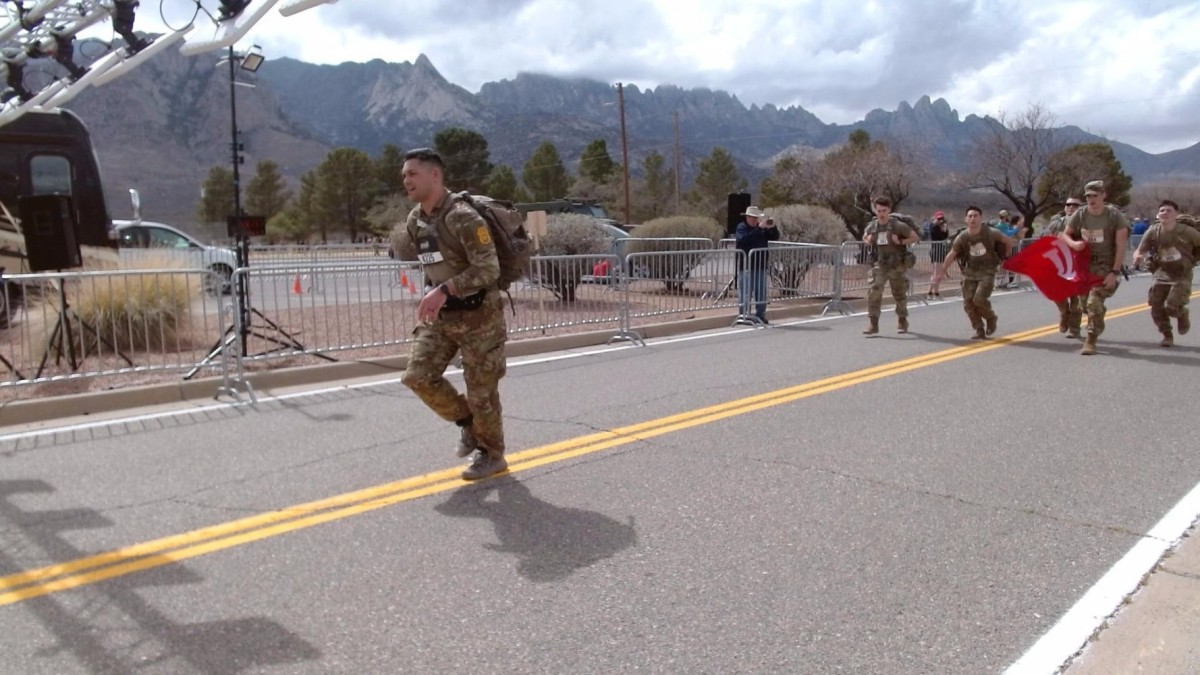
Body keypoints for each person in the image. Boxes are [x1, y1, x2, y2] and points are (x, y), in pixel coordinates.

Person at [396, 148, 510, 480]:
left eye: (412, 173)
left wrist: (444, 290)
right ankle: (467, 424)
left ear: (435, 175)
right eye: (404, 175)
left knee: (481, 392)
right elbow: (432, 264)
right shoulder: (415, 220)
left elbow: (488, 268)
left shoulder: (463, 216)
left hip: (481, 318)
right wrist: (436, 293)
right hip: (443, 317)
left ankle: (492, 454)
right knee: (418, 376)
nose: (406, 180)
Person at [1059, 180, 1131, 356]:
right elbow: (1063, 234)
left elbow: (1121, 245)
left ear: (1103, 196)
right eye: (1088, 196)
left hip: (1106, 265)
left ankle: (1090, 340)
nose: (1091, 199)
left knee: (1093, 302)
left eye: (1095, 195)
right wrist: (1073, 243)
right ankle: (1098, 316)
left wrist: (1114, 272)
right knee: (1085, 305)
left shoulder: (1114, 216)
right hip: (1084, 265)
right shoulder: (1081, 214)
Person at [929, 205, 1013, 339]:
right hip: (970, 271)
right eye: (970, 216)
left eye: (975, 216)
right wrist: (940, 274)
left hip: (987, 271)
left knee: (979, 299)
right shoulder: (963, 237)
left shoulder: (991, 232)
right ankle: (979, 328)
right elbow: (951, 254)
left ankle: (991, 318)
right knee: (968, 303)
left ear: (981, 218)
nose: (973, 218)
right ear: (965, 219)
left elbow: (1008, 241)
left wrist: (1006, 259)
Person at [1132, 200, 1200, 347]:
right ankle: (1167, 335)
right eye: (1162, 210)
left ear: (1176, 214)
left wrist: (1193, 259)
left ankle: (1182, 313)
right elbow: (1141, 248)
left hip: (1182, 273)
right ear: (1158, 214)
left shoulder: (1187, 232)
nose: (1165, 213)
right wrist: (1138, 256)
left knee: (1171, 306)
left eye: (1169, 210)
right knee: (1156, 308)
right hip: (1162, 272)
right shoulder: (1153, 231)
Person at [862, 196, 919, 335]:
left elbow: (914, 237)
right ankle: (873, 322)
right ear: (875, 210)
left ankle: (902, 319)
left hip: (897, 265)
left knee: (899, 294)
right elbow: (865, 236)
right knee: (874, 292)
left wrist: (900, 241)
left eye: (884, 210)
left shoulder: (898, 225)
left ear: (889, 210)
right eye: (879, 210)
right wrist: (867, 240)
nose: (881, 213)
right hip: (880, 264)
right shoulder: (873, 226)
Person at [734, 205, 780, 324]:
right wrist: (759, 229)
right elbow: (743, 240)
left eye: (756, 218)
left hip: (760, 265)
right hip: (747, 266)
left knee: (761, 292)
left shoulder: (762, 229)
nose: (754, 220)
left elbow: (775, 237)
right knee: (746, 292)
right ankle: (744, 315)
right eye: (752, 217)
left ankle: (760, 314)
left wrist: (772, 227)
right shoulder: (742, 227)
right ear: (747, 217)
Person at [1046, 198, 1084, 334]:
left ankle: (1074, 328)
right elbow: (1047, 240)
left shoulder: (1086, 223)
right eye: (1068, 204)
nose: (1071, 207)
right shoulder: (1056, 224)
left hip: (1079, 263)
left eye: (1075, 205)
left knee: (1077, 297)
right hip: (1060, 262)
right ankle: (1063, 313)